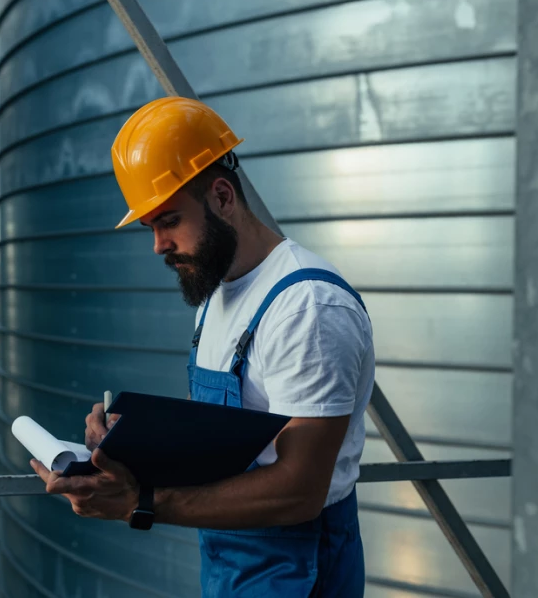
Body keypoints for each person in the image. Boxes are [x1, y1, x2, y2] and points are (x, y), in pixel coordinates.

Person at [28, 96, 374, 597]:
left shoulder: (308, 307)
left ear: (222, 197)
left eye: (169, 220)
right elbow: (216, 438)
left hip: (300, 571)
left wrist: (138, 502)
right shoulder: (216, 296)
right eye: (150, 228)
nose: (158, 245)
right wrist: (129, 447)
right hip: (232, 565)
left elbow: (301, 489)